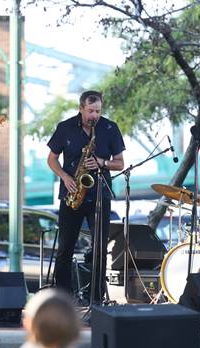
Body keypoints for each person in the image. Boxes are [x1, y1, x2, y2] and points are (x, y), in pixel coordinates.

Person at [47, 90, 125, 302]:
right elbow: (51, 159)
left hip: (99, 196)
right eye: (90, 111)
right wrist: (64, 177)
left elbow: (120, 163)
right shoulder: (65, 128)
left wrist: (102, 162)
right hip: (71, 193)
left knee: (99, 249)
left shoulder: (109, 128)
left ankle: (96, 297)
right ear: (81, 108)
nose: (94, 116)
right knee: (65, 248)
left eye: (98, 111)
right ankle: (64, 297)